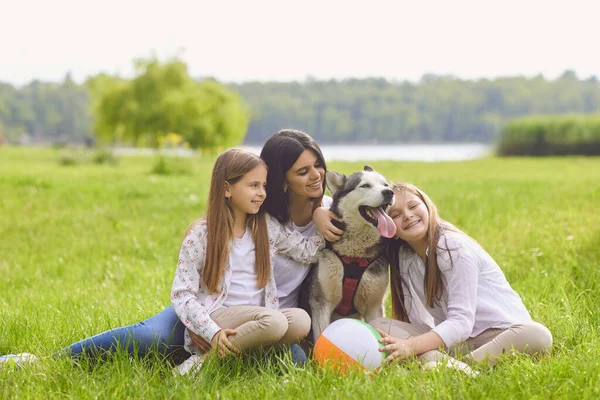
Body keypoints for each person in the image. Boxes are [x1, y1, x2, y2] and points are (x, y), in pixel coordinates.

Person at [1, 129, 342, 367]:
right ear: (281, 179)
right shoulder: (257, 213)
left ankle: (212, 359)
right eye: (303, 171)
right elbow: (186, 290)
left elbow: (317, 245)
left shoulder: (312, 211)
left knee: (293, 357)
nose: (317, 176)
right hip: (214, 308)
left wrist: (320, 212)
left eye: (318, 166)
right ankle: (47, 361)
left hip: (266, 321)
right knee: (150, 338)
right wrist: (209, 328)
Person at [171, 148, 326, 375]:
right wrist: (212, 332)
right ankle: (199, 366)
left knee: (301, 320)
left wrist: (321, 216)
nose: (262, 193)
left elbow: (307, 251)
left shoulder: (266, 226)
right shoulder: (202, 234)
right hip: (220, 316)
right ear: (226, 189)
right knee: (275, 322)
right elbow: (182, 294)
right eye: (253, 185)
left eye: (263, 186)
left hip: (260, 318)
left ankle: (243, 359)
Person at [369, 182, 553, 367]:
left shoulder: (451, 246)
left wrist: (411, 346)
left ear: (427, 206)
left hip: (500, 334)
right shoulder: (405, 258)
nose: (408, 216)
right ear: (390, 229)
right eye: (396, 215)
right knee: (379, 326)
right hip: (458, 342)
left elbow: (462, 322)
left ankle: (461, 366)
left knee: (538, 334)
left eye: (413, 206)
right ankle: (449, 364)